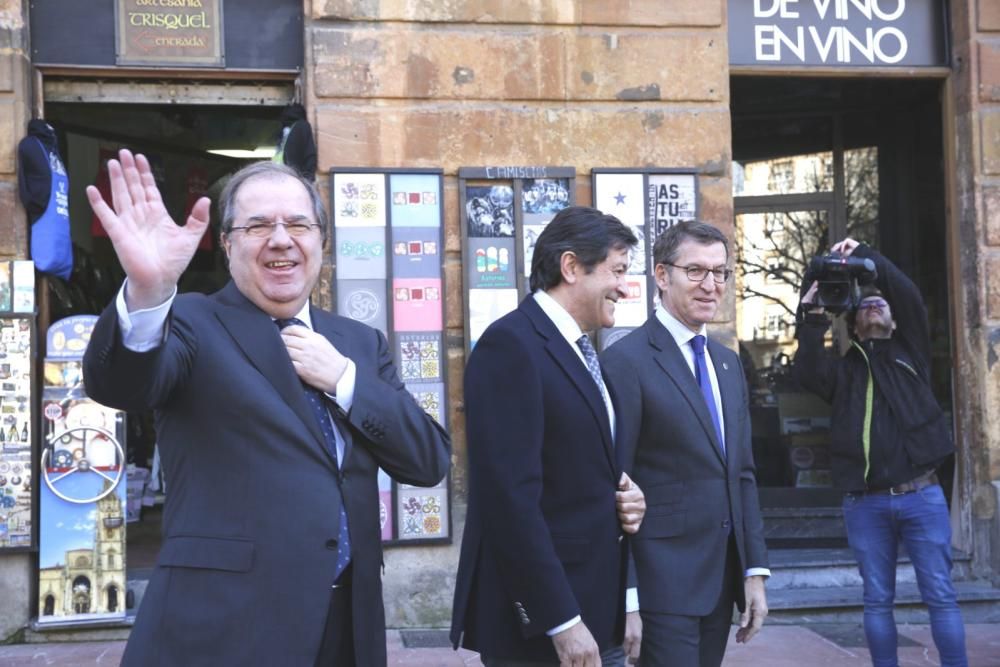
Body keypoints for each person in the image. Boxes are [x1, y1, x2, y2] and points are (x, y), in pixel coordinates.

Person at [81, 151, 450, 666]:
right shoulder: (191, 322)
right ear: (227, 244)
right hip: (227, 629)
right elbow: (123, 382)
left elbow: (428, 459)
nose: (281, 239)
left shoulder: (359, 344)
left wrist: (344, 378)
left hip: (347, 627)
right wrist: (149, 292)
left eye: (298, 223)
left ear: (322, 239)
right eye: (258, 226)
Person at [450, 206, 647, 666]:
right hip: (544, 629)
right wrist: (560, 620)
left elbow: (583, 470)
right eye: (617, 271)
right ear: (572, 267)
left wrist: (627, 498)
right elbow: (509, 499)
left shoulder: (581, 350)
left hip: (597, 611)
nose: (624, 286)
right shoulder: (511, 346)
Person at [601, 220, 769, 667]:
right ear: (661, 275)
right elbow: (615, 484)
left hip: (720, 585)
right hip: (660, 587)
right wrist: (628, 595)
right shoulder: (625, 361)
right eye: (695, 271)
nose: (710, 285)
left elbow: (742, 475)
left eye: (719, 272)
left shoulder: (729, 365)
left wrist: (754, 572)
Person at [793, 238, 967, 667]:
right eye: (865, 305)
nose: (875, 306)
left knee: (941, 597)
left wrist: (869, 258)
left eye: (881, 305)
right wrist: (811, 312)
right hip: (865, 504)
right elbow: (809, 369)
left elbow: (906, 295)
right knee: (876, 601)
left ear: (894, 321)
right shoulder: (844, 372)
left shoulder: (912, 353)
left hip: (921, 495)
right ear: (852, 326)